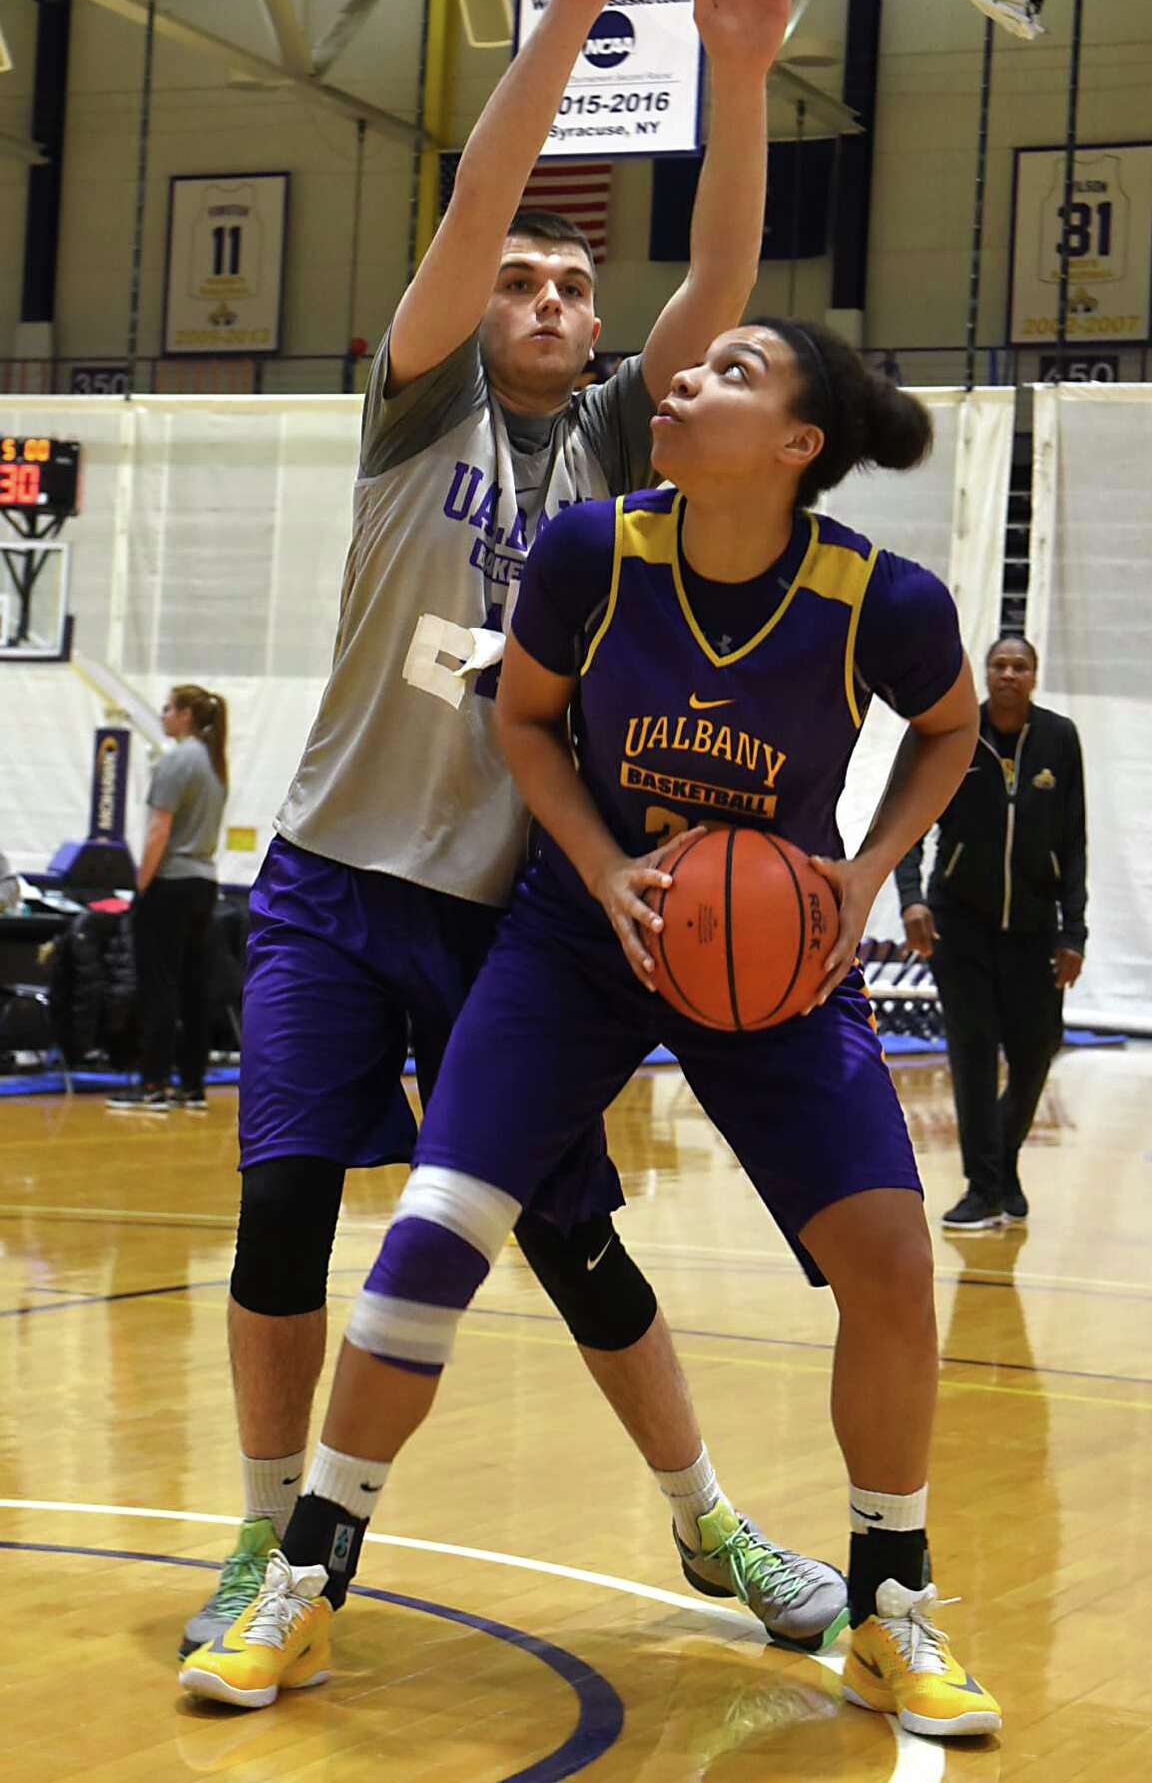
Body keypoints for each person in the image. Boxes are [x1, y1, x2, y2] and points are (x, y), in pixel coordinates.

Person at [179, 0, 845, 1661]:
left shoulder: (635, 445)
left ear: (602, 332)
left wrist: (728, 70)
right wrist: (568, 12)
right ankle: (266, 1544)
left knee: (573, 1244)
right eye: (522, 278)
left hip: (499, 909)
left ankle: (711, 1525)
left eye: (572, 285)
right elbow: (477, 200)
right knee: (282, 1213)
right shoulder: (415, 406)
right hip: (328, 881)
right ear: (478, 304)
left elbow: (723, 270)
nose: (546, 296)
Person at [181, 315, 1004, 1743]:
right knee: (436, 1224)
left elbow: (950, 730)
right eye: (693, 364)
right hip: (584, 936)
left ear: (798, 448)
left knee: (886, 1255)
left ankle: (891, 1606)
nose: (679, 378)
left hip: (773, 954)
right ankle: (307, 1579)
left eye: (731, 371)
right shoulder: (591, 555)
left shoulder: (882, 600)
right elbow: (526, 722)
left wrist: (859, 877)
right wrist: (603, 861)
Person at [895, 634, 1087, 1230]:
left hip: (1034, 929)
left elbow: (1074, 840)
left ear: (1034, 675)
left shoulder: (1060, 738)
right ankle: (982, 1188)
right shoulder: (956, 732)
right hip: (961, 925)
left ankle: (1003, 1161)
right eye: (999, 665)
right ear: (986, 674)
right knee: (973, 1056)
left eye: (1020, 665)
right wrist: (912, 899)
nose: (1009, 674)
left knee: (1035, 1052)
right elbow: (912, 816)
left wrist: (1073, 931)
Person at [122, 683, 228, 1113]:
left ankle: (153, 1084)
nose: (163, 716)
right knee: (193, 986)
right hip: (204, 885)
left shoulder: (177, 761)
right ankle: (192, 1085)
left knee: (160, 986)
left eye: (167, 709)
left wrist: (141, 885)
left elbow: (158, 831)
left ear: (185, 714)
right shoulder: (213, 763)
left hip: (170, 884)